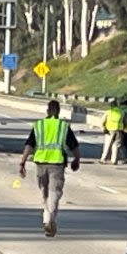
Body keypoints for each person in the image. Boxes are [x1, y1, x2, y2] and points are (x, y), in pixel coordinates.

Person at [19, 100, 82, 237]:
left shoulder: (39, 125)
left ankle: (47, 219)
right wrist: (77, 159)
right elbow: (74, 145)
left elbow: (29, 145)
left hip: (41, 164)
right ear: (59, 111)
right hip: (57, 164)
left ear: (47, 111)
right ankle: (50, 219)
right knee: (55, 193)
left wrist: (22, 162)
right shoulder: (63, 126)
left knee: (45, 193)